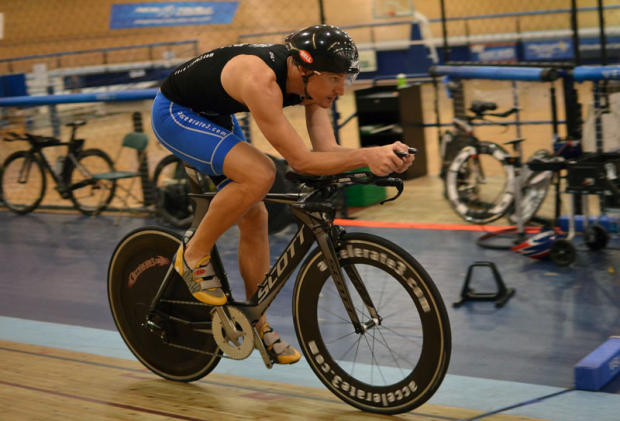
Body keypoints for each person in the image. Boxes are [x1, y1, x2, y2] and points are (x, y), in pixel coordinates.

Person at [151, 24, 414, 364]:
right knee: (261, 173)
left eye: (345, 79)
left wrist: (382, 158)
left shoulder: (311, 84)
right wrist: (367, 155)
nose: (341, 90)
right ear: (305, 70)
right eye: (335, 79)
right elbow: (302, 161)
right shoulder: (261, 81)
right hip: (176, 113)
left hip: (214, 115)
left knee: (255, 213)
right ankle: (192, 256)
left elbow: (327, 152)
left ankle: (256, 322)